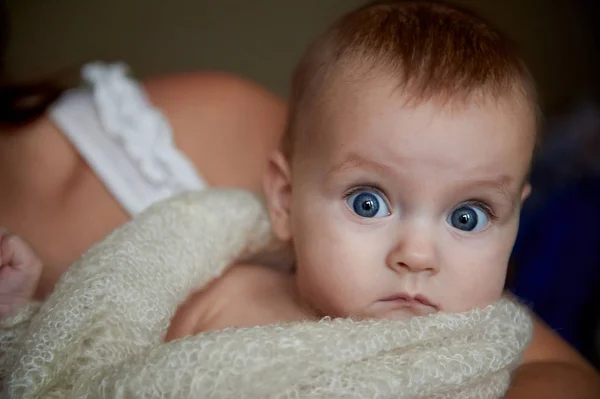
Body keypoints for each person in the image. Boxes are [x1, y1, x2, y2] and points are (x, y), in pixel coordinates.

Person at [0, 2, 599, 398]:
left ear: (516, 217)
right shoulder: (222, 297)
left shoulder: (487, 347)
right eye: (368, 203)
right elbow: (90, 370)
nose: (418, 255)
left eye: (468, 216)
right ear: (283, 201)